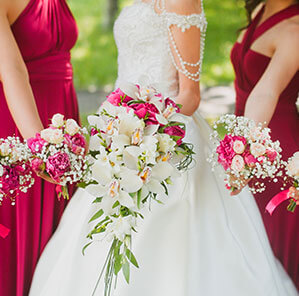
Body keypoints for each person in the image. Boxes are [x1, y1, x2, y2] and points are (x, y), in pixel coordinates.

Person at [29, 1, 297, 295]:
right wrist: (114, 128)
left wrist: (144, 128)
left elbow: (190, 95)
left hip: (162, 138)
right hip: (118, 132)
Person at [0, 0, 79, 295]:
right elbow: (12, 72)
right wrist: (41, 148)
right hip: (22, 124)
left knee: (59, 232)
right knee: (24, 234)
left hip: (61, 115)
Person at [231, 0, 299, 290]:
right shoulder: (261, 8)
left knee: (278, 243)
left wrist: (243, 152)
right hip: (249, 134)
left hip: (274, 149)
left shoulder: (294, 29)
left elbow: (266, 93)